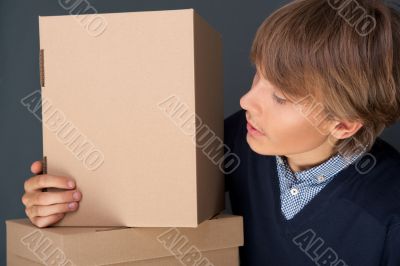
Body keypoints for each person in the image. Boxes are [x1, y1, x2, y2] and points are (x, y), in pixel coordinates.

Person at [22, 0, 400, 265]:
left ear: (343, 124)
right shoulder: (240, 137)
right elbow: (144, 185)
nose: (247, 99)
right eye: (258, 74)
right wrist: (61, 199)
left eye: (281, 97)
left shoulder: (388, 213)